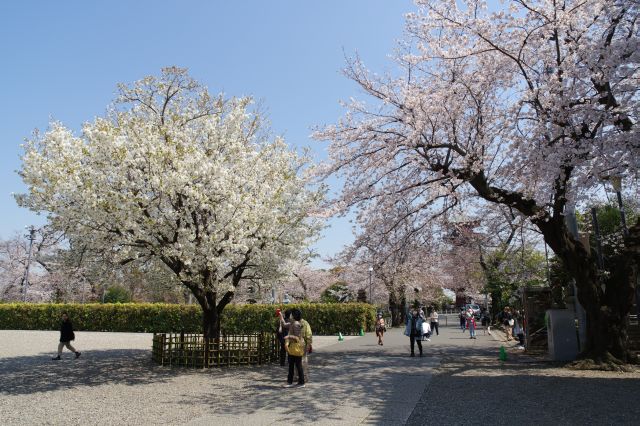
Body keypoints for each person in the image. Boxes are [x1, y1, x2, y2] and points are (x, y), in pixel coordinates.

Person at [279, 308, 305, 388]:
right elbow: (284, 324)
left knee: (298, 365)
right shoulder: (292, 323)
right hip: (292, 347)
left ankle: (301, 382)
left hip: (296, 347)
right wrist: (280, 316)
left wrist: (289, 336)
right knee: (291, 365)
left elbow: (297, 337)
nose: (290, 315)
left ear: (294, 315)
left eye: (291, 314)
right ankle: (289, 382)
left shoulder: (296, 324)